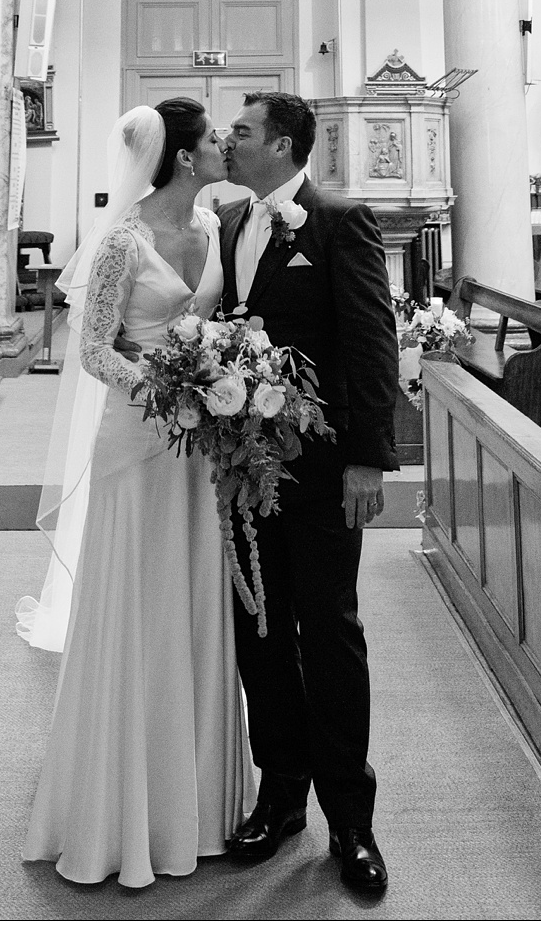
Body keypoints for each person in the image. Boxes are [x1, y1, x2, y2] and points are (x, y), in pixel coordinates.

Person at [20, 100, 255, 889]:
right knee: (137, 599)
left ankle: (198, 801)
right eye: (216, 139)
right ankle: (119, 807)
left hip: (203, 444)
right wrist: (169, 388)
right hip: (139, 436)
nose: (226, 146)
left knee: (192, 598)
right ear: (184, 158)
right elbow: (93, 349)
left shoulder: (216, 228)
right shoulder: (124, 241)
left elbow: (221, 321)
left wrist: (221, 379)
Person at [217, 92, 399, 898]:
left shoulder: (337, 221)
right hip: (246, 467)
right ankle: (281, 794)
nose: (229, 141)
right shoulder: (232, 225)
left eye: (244, 132)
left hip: (324, 467)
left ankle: (351, 822)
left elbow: (370, 342)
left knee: (328, 631)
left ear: (284, 144)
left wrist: (369, 460)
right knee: (259, 629)